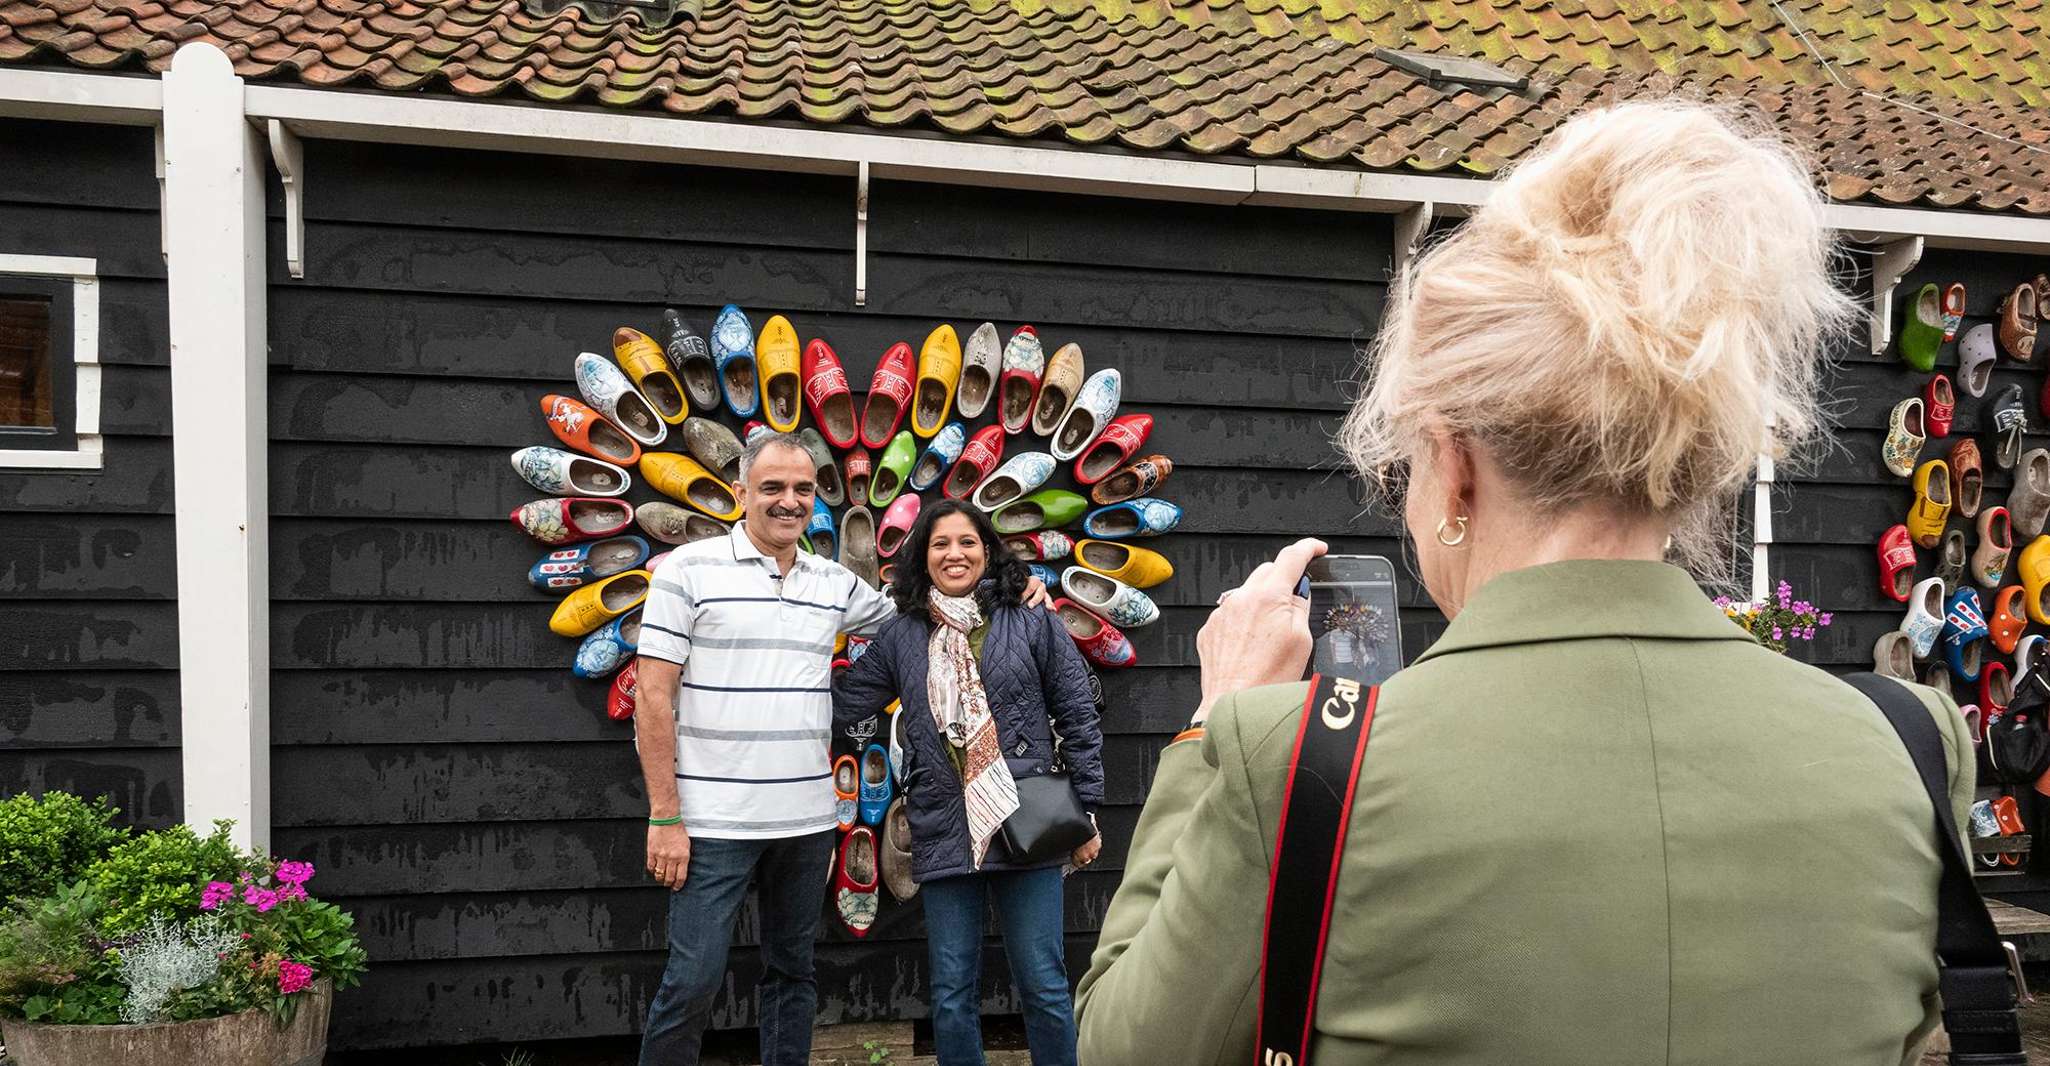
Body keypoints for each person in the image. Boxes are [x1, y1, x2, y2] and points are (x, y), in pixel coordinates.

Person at [1074, 101, 1975, 1066]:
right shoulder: (1910, 742)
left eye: (1408, 467)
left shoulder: (1292, 765)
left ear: (1455, 468)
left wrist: (1216, 724)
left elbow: (1122, 1047)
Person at [634, 433, 1050, 1066]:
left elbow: (924, 615)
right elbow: (652, 701)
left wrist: (1013, 592)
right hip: (712, 820)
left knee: (792, 977)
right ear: (741, 493)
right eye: (772, 488)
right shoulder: (687, 573)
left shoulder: (831, 583)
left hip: (806, 820)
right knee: (691, 984)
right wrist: (665, 816)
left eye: (802, 489)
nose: (789, 502)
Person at [833, 498, 1104, 1066]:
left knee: (1045, 985)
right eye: (940, 544)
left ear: (986, 550)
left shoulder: (1029, 614)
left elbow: (1077, 708)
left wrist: (1088, 808)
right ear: (922, 557)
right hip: (942, 822)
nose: (954, 554)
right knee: (952, 994)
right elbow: (847, 700)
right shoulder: (903, 633)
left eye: (967, 542)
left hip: (1027, 820)